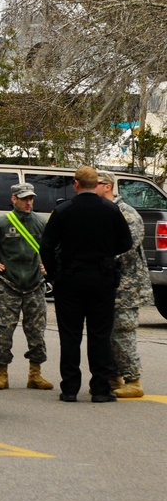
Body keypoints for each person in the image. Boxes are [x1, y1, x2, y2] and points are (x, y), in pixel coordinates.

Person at [40, 166, 133, 403]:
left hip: (70, 280)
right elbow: (126, 242)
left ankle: (70, 388)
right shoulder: (111, 210)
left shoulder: (63, 210)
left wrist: (53, 274)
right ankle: (101, 388)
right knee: (99, 334)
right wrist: (105, 253)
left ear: (76, 184)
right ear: (95, 184)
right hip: (102, 279)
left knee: (70, 335)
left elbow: (47, 245)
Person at [0, 182, 53, 391]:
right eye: (25, 198)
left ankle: (35, 374)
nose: (29, 202)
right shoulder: (0, 223)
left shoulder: (40, 223)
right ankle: (2, 374)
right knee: (3, 332)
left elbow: (53, 246)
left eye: (31, 199)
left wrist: (48, 265)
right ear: (14, 199)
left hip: (35, 286)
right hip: (9, 286)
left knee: (36, 332)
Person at [96, 170, 154, 398]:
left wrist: (97, 256)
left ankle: (133, 380)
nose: (94, 188)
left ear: (107, 186)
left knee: (123, 332)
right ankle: (114, 377)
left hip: (127, 287)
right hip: (109, 284)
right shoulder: (104, 211)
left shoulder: (126, 213)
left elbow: (127, 245)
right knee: (108, 334)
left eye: (97, 184)